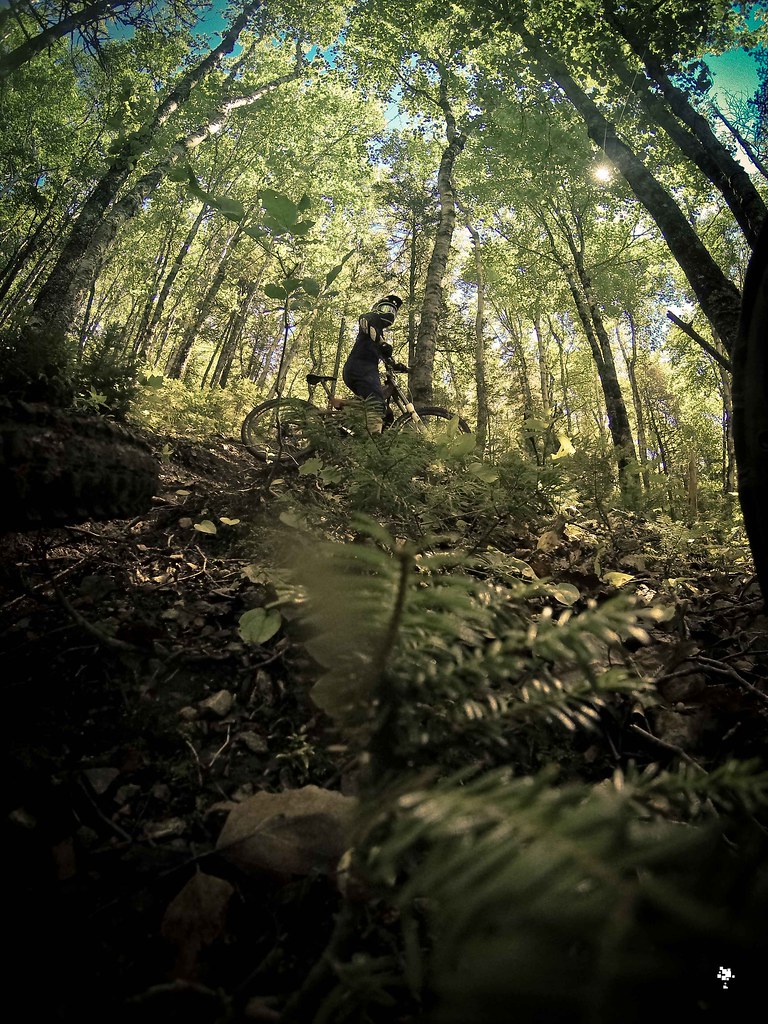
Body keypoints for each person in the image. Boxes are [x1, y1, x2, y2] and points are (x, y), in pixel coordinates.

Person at [342, 294, 409, 433]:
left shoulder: (379, 334)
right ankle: (373, 441)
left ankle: (347, 429)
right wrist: (382, 343)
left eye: (392, 311)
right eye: (386, 308)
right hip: (360, 368)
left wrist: (396, 365)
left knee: (387, 413)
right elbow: (365, 322)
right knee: (376, 403)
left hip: (363, 370)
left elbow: (386, 357)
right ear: (377, 309)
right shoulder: (371, 318)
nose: (389, 313)